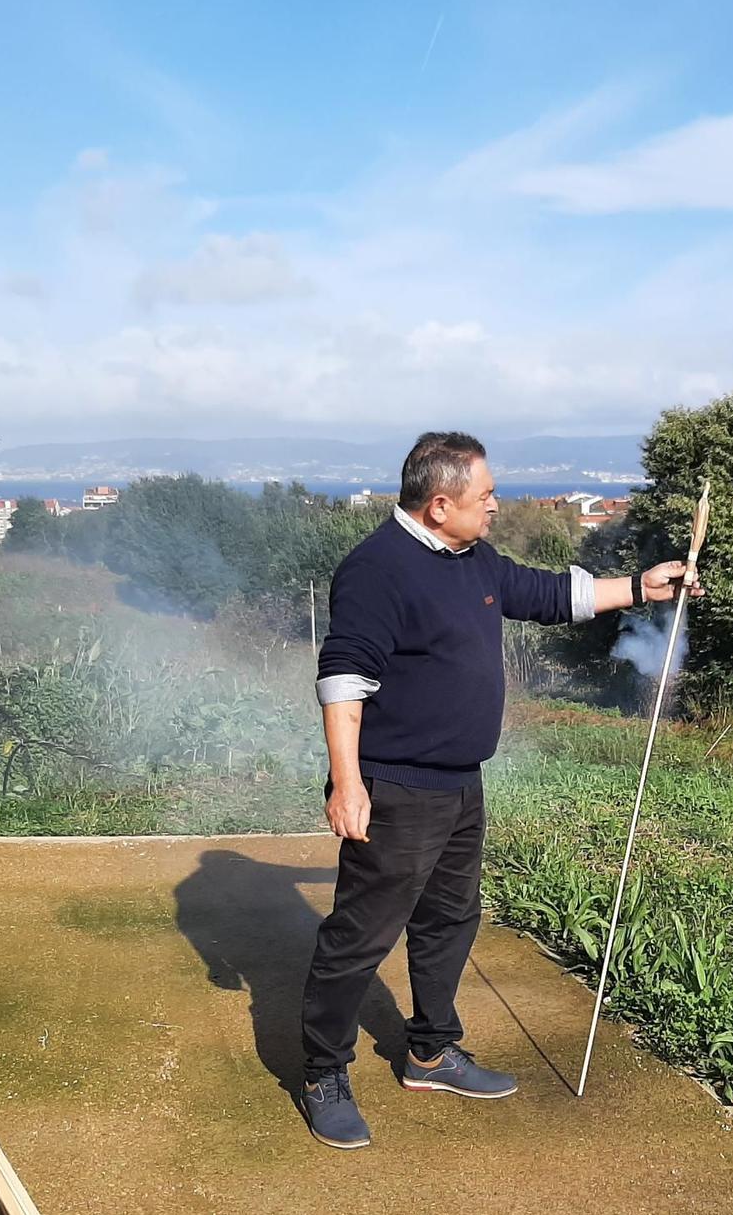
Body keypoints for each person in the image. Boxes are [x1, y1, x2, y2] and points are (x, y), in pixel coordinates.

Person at [299, 432, 698, 1148]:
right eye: (485, 496)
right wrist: (349, 784)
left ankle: (429, 1051)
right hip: (394, 786)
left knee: (451, 920)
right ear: (439, 503)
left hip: (459, 784)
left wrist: (642, 586)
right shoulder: (376, 570)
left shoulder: (471, 556)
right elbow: (343, 681)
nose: (496, 505)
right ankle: (323, 1070)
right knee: (361, 935)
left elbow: (548, 594)